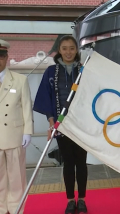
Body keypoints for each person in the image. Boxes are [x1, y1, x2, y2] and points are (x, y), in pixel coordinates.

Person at [33, 35, 88, 214]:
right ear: (59, 51)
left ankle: (82, 199)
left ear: (77, 50)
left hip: (82, 125)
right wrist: (51, 122)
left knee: (81, 163)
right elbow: (46, 98)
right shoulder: (51, 71)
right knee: (68, 163)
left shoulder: (84, 70)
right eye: (64, 48)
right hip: (61, 125)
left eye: (72, 48)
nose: (68, 52)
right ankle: (70, 200)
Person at [0, 39, 33, 214]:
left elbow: (27, 107)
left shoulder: (20, 80)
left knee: (16, 179)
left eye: (1, 55)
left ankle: (16, 209)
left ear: (7, 57)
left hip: (15, 135)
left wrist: (28, 131)